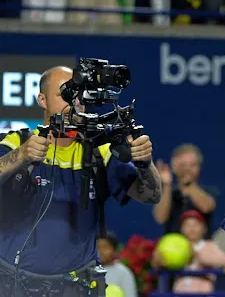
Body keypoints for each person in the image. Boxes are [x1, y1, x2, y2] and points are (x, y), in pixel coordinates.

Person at [0, 66, 162, 297]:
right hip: (13, 284)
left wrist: (145, 163)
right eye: (64, 93)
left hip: (76, 287)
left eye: (78, 95)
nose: (73, 101)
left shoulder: (100, 151)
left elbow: (151, 196)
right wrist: (22, 156)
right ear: (42, 100)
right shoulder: (18, 142)